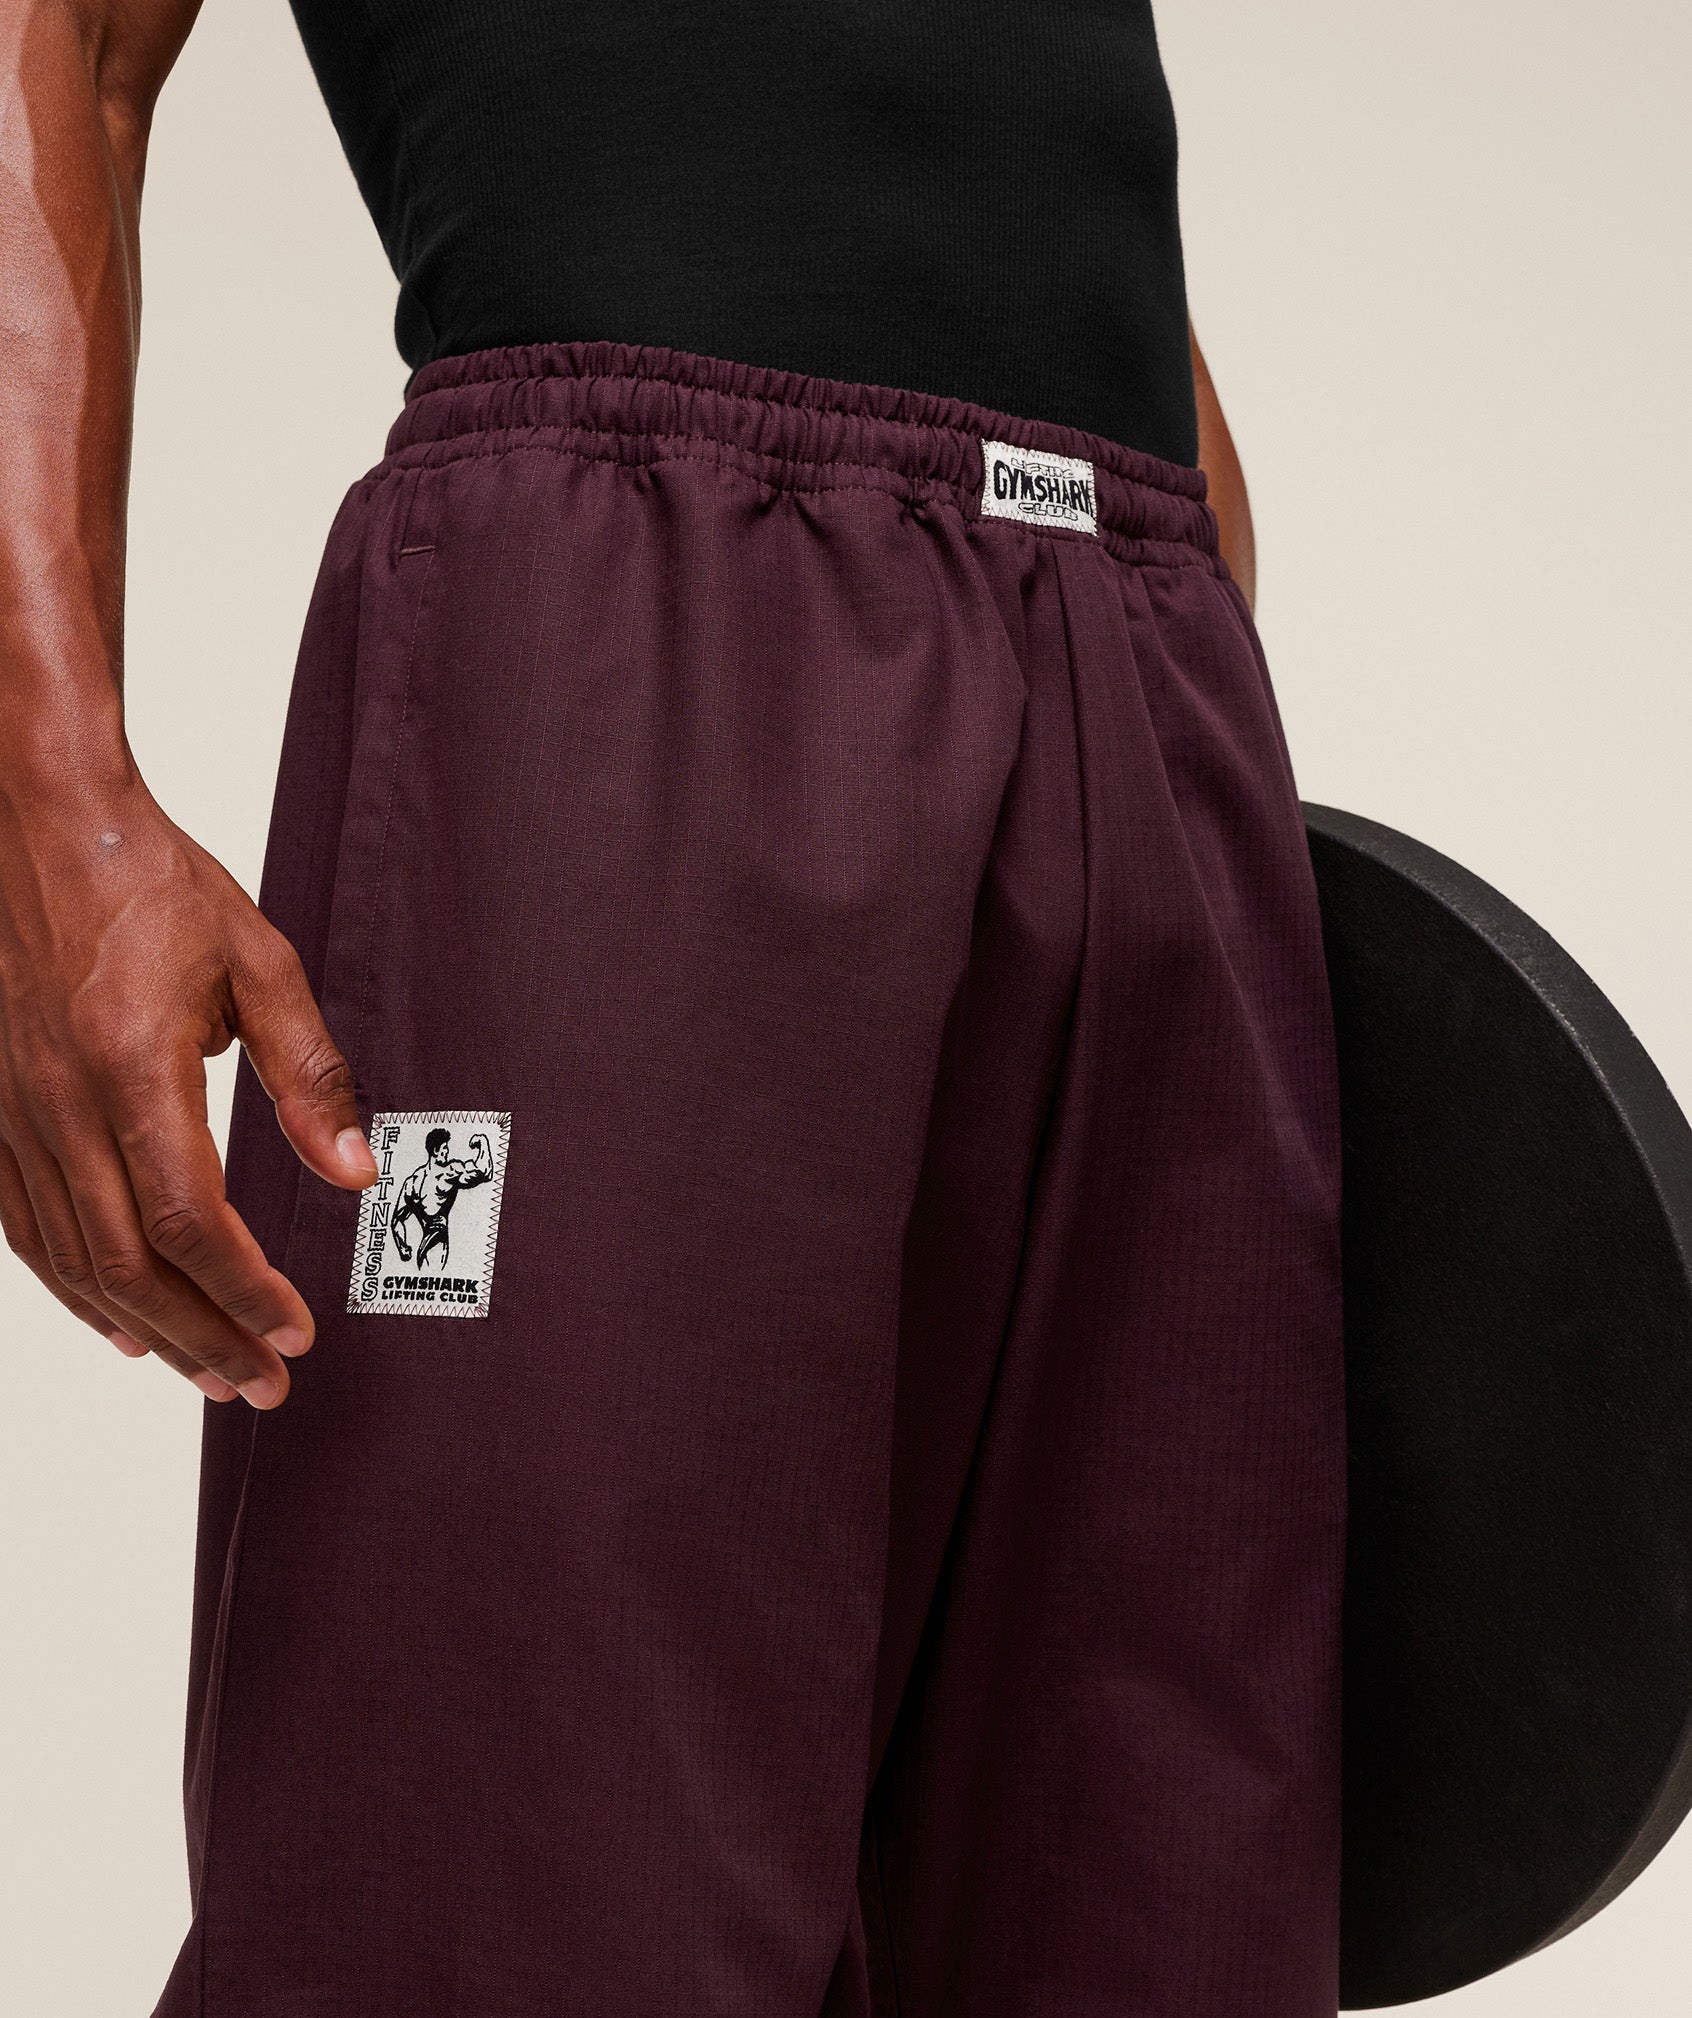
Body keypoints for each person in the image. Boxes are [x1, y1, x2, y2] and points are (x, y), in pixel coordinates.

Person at [0, 5, 1343, 2014]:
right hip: (633, 628)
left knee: (1153, 1917)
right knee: (512, 1890)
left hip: (1135, 641)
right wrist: (45, 806)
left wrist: (1167, 636)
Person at [390, 1128, 492, 1271]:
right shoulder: (450, 1171)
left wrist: (403, 1247)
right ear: (436, 1151)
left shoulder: (412, 1181)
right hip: (437, 1243)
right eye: (445, 1148)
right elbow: (485, 1172)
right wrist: (483, 1142)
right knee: (433, 1274)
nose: (447, 1152)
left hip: (424, 1247)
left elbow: (396, 1221)